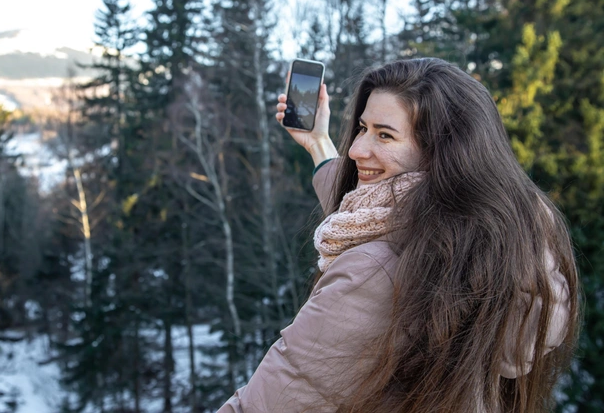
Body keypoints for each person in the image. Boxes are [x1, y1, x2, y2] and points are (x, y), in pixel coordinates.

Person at [218, 58, 579, 413]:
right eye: (362, 128)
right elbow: (367, 209)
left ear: (442, 152)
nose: (357, 150)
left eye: (384, 135)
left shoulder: (373, 274)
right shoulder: (499, 239)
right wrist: (317, 144)